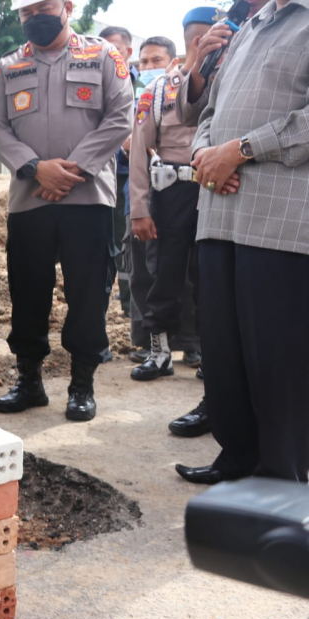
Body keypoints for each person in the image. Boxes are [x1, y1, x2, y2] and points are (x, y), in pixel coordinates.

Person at [176, 0, 309, 485]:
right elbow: (207, 111)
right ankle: (237, 461)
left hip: (280, 223)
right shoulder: (249, 26)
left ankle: (282, 478)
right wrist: (203, 154)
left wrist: (240, 151)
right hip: (218, 214)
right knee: (224, 352)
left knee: (277, 359)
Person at [0, 0, 133, 422]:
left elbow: (120, 117)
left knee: (88, 294)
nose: (36, 17)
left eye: (44, 7)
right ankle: (29, 382)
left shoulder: (104, 55)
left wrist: (71, 171)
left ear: (67, 6)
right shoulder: (7, 67)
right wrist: (36, 169)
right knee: (27, 292)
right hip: (29, 199)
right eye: (26, 13)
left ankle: (82, 385)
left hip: (87, 197)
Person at [169, 3, 266, 439]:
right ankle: (221, 406)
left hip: (276, 197)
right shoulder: (231, 25)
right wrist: (199, 71)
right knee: (221, 317)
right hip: (218, 196)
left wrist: (236, 155)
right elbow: (191, 116)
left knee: (270, 325)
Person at [127, 34, 212, 381]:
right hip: (172, 192)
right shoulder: (158, 90)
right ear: (195, 39)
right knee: (164, 275)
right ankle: (159, 353)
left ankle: (213, 355)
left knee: (212, 278)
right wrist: (139, 208)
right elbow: (138, 151)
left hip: (215, 189)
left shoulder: (226, 81)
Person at [98, 26, 135, 319]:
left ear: (128, 52)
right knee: (100, 242)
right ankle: (99, 307)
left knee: (125, 240)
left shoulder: (145, 87)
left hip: (129, 177)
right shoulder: (92, 85)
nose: (108, 55)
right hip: (97, 176)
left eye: (115, 49)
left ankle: (128, 306)